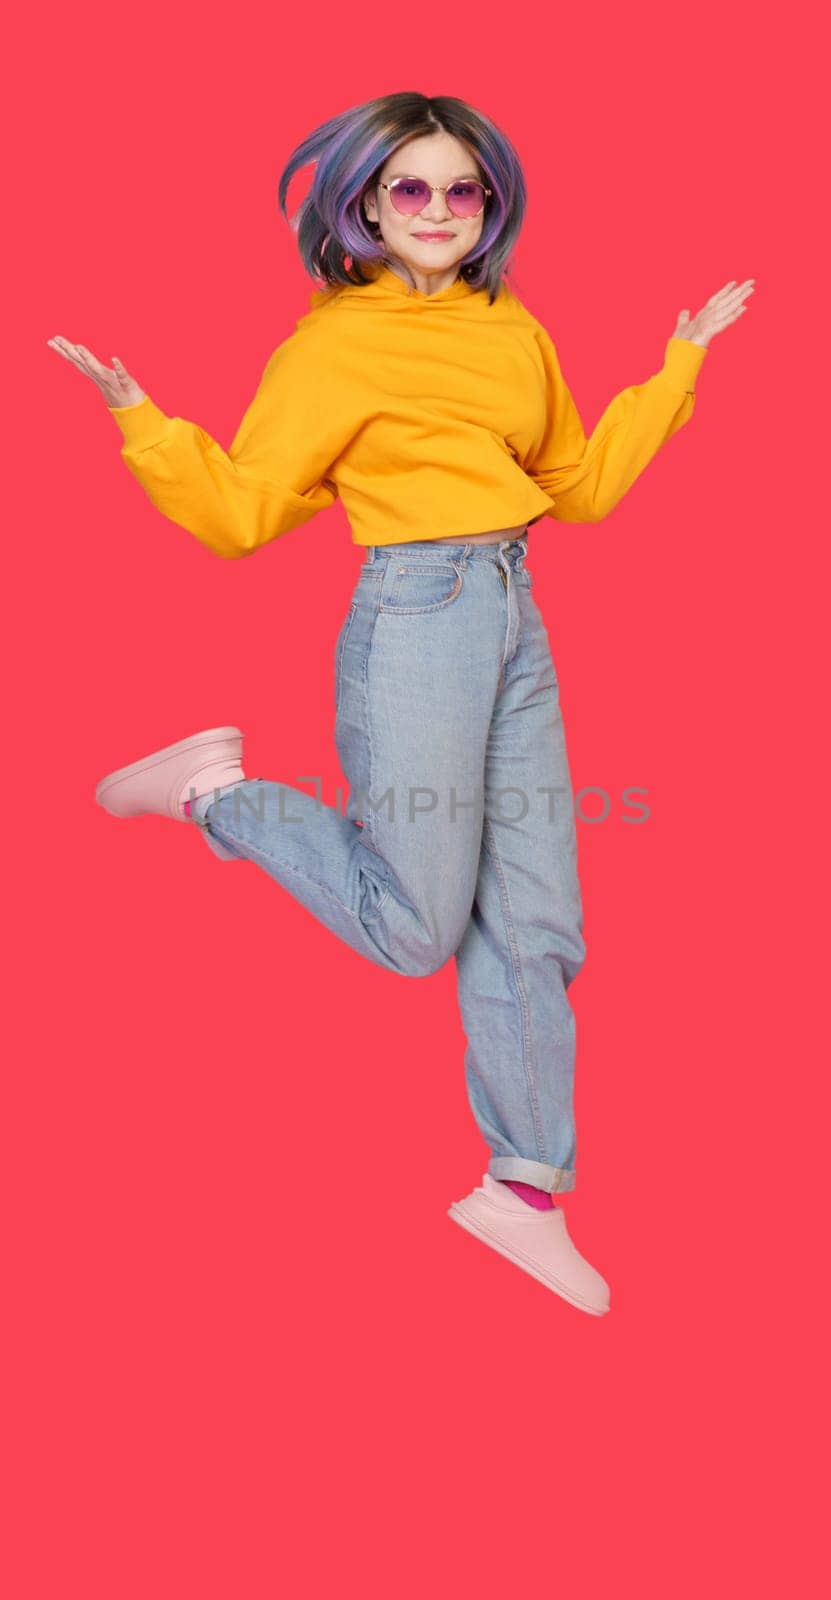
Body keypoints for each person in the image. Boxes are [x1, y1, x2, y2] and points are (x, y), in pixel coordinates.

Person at [47, 91, 754, 1317]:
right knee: (417, 927)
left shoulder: (510, 329)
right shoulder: (331, 346)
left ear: (491, 208)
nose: (436, 211)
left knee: (537, 916)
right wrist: (141, 421)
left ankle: (525, 1189)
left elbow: (574, 488)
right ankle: (217, 794)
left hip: (512, 609)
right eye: (411, 190)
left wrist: (677, 364)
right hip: (416, 615)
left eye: (461, 190)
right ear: (368, 205)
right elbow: (242, 514)